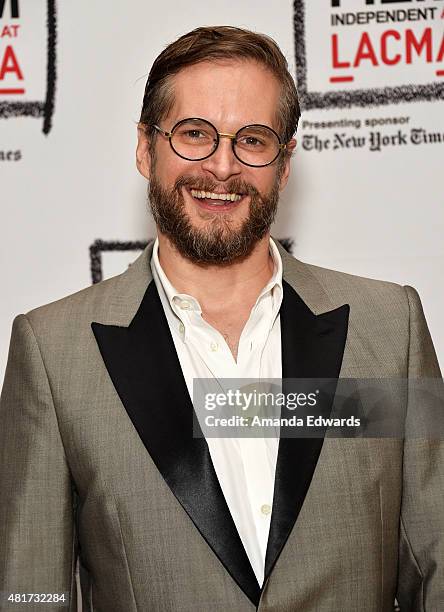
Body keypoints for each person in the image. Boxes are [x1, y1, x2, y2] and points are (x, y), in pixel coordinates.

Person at [0, 25, 442, 612]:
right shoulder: (55, 355)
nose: (223, 167)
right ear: (144, 148)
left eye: (253, 140)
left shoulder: (390, 331)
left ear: (284, 164)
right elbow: (32, 595)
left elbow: (436, 563)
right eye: (194, 135)